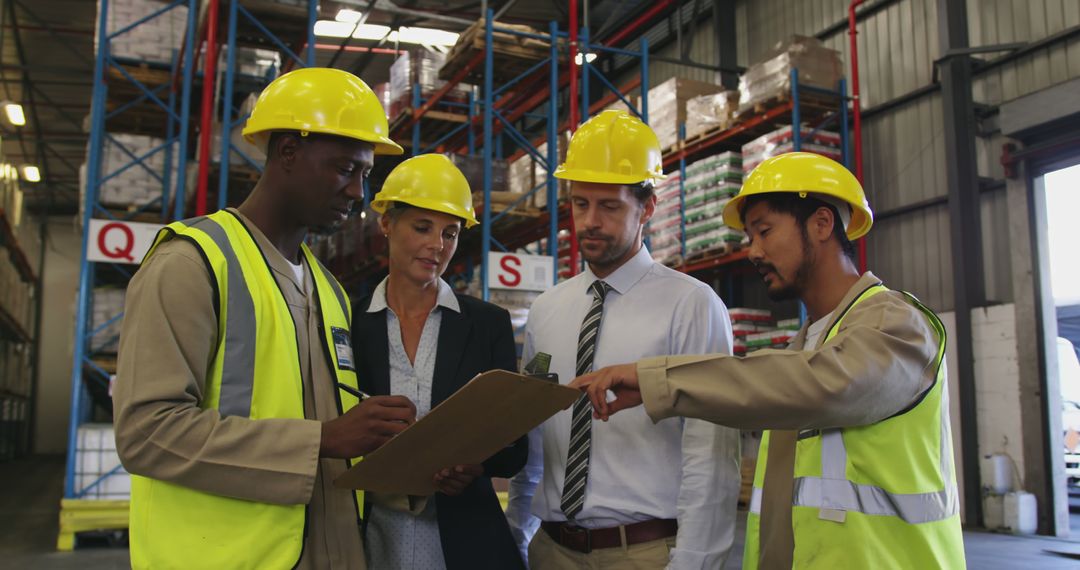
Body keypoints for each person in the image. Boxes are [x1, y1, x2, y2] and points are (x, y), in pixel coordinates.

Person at [573, 152, 966, 569]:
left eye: (764, 232)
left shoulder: (897, 323)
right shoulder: (806, 346)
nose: (754, 252)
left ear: (821, 224)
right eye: (749, 239)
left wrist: (659, 380)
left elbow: (824, 384)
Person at [113, 68, 416, 570]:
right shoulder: (193, 265)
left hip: (332, 549)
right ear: (287, 154)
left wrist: (412, 462)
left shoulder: (330, 291)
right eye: (345, 169)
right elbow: (146, 433)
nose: (359, 193)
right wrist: (323, 438)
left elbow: (337, 444)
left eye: (365, 174)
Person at [505, 109, 741, 570]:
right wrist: (518, 534)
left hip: (645, 554)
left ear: (647, 206)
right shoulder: (547, 309)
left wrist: (693, 562)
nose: (589, 221)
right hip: (552, 551)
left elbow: (709, 451)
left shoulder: (691, 304)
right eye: (579, 204)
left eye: (609, 206)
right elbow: (535, 441)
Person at [351, 153, 527, 570]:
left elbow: (515, 448)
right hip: (370, 541)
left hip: (465, 544)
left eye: (450, 233)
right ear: (387, 223)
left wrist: (476, 464)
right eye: (422, 227)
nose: (437, 245)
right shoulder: (346, 322)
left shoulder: (488, 325)